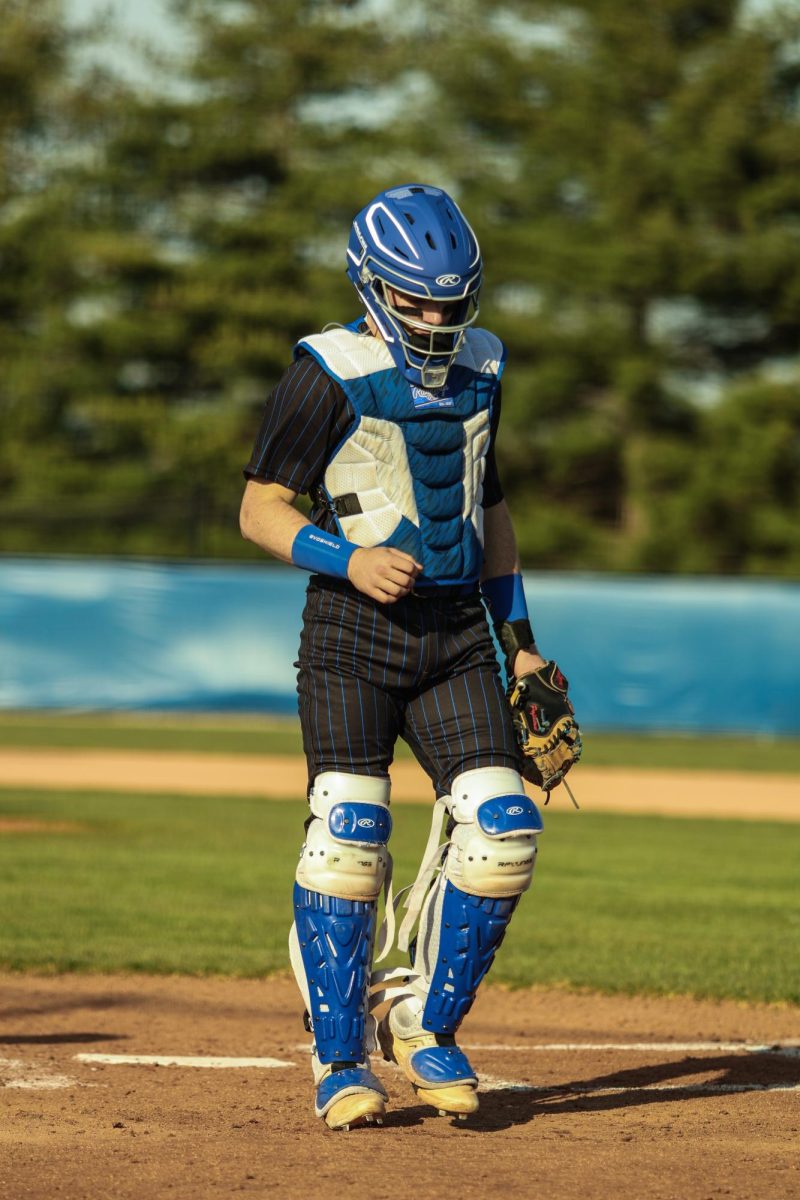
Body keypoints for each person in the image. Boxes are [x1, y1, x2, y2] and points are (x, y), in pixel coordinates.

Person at [240, 183, 581, 1131]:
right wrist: (345, 557)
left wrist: (521, 647)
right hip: (351, 637)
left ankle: (426, 1023)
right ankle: (339, 1057)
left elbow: (491, 508)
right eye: (416, 300)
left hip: (458, 634)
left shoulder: (486, 366)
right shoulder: (326, 369)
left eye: (451, 301)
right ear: (373, 287)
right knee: (348, 839)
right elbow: (261, 507)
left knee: (505, 830)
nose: (437, 318)